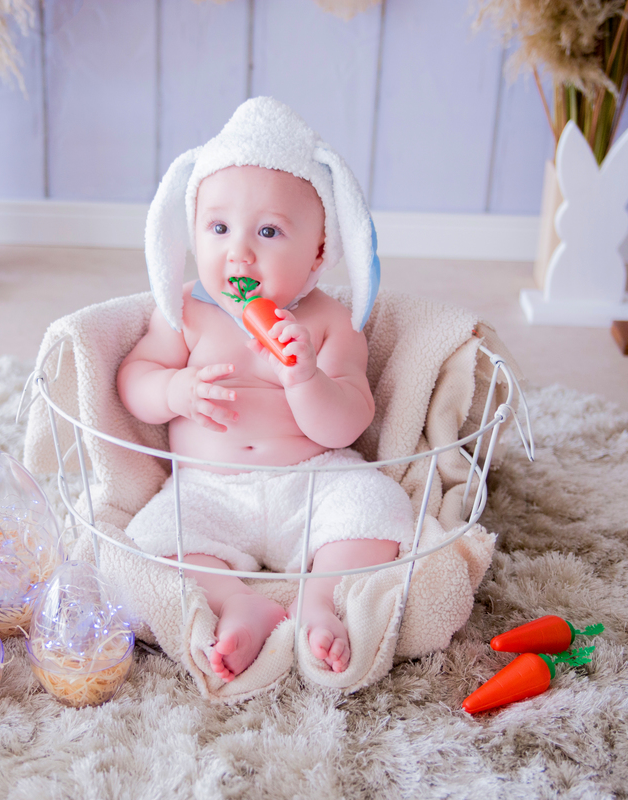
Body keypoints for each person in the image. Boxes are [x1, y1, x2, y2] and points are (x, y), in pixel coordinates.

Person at [117, 98, 415, 681]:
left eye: (270, 231)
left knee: (381, 508)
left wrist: (305, 379)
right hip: (208, 491)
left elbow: (349, 421)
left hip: (312, 481)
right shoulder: (187, 313)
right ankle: (236, 602)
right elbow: (134, 381)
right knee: (150, 538)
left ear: (320, 253)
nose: (239, 252)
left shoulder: (331, 322)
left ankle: (317, 597)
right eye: (219, 228)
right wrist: (176, 391)